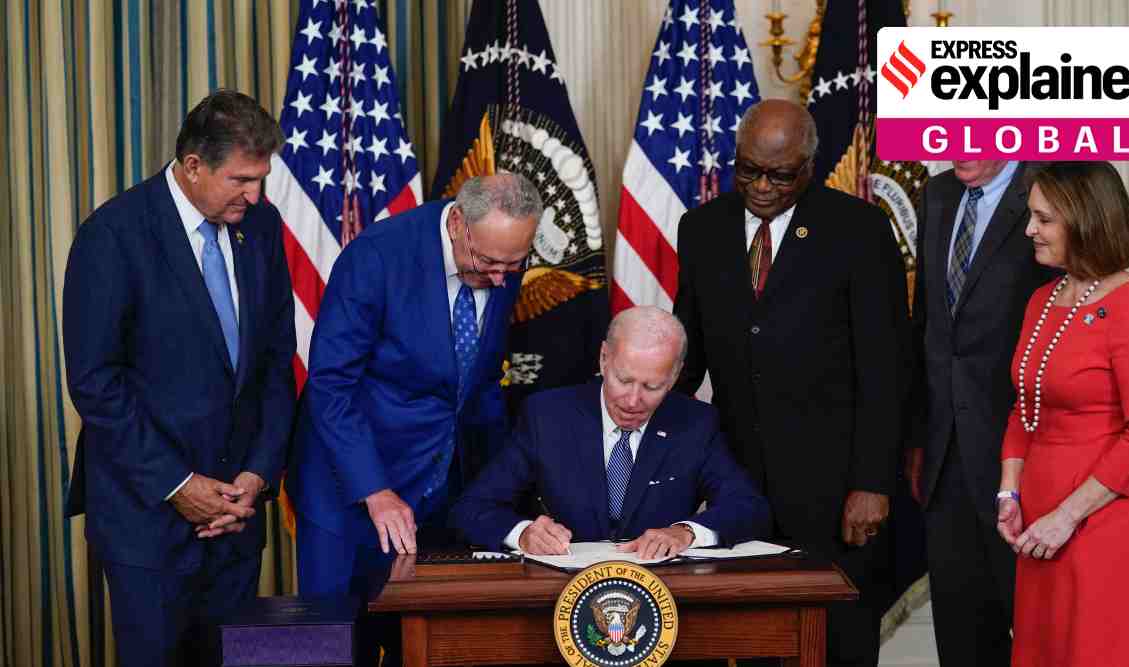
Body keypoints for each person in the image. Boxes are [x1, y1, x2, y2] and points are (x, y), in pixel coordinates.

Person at [62, 89, 297, 667]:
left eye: (260, 178)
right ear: (193, 166)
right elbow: (96, 382)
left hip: (237, 519)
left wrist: (259, 472)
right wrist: (177, 484)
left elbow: (273, 361)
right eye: (241, 179)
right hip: (149, 522)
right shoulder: (113, 234)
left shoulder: (260, 227)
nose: (255, 193)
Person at [672, 99, 909, 667]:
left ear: (809, 166)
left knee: (840, 642)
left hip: (834, 489)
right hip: (737, 484)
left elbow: (886, 365)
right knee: (754, 639)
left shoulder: (858, 229)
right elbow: (689, 355)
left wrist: (873, 482)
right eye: (747, 169)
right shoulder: (701, 228)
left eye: (779, 174)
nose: (760, 186)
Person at [287, 173, 541, 598]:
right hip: (350, 488)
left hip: (439, 486)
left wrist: (502, 490)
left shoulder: (498, 255)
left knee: (424, 640)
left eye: (512, 266)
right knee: (340, 642)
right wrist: (374, 489)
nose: (501, 278)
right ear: (458, 223)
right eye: (488, 263)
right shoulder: (377, 257)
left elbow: (478, 383)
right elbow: (331, 385)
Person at [996, 161, 1129, 666]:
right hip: (1041, 524)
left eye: (1044, 219)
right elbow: (1025, 406)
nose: (1030, 229)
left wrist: (1066, 517)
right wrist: (1010, 493)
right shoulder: (1042, 299)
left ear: (1086, 220)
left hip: (1105, 520)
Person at [449, 306, 771, 558]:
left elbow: (748, 507)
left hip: (663, 596)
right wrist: (522, 533)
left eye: (652, 386)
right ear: (604, 358)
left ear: (674, 377)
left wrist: (686, 532)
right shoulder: (547, 416)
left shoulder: (695, 423)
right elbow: (472, 508)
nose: (633, 400)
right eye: (623, 380)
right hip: (559, 595)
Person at [903, 160, 1055, 667]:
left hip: (1028, 457)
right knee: (964, 638)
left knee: (1043, 637)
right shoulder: (938, 193)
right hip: (946, 462)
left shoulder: (1051, 186)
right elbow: (927, 325)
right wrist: (919, 438)